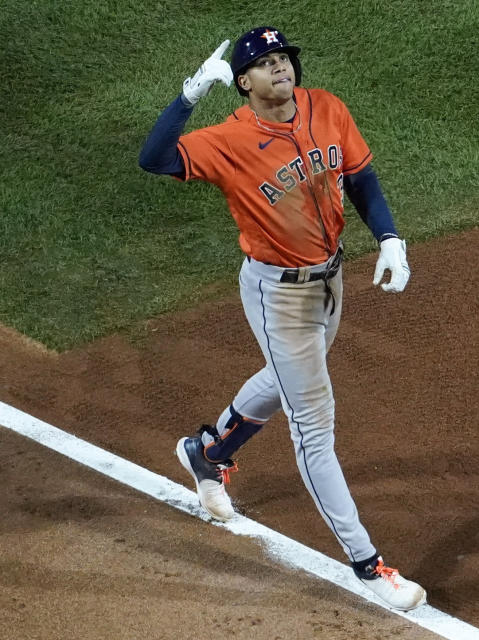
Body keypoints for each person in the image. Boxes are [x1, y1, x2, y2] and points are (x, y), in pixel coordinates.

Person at [138, 26, 425, 611]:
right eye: (265, 63)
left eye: (284, 58)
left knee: (290, 378)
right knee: (314, 425)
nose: (280, 69)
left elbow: (360, 177)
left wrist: (390, 237)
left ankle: (208, 453)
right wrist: (190, 94)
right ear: (242, 82)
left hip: (330, 280)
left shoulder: (327, 108)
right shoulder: (229, 139)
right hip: (278, 294)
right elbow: (155, 158)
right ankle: (368, 566)